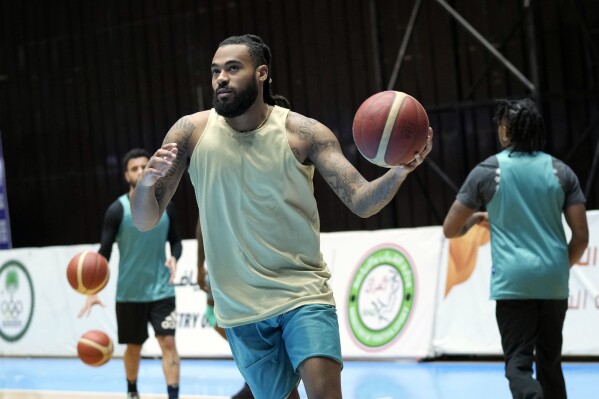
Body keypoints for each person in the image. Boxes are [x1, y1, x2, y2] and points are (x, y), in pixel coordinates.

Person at [130, 34, 432, 399]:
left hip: (302, 294)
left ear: (262, 73)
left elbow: (361, 200)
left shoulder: (304, 133)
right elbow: (145, 221)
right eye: (215, 71)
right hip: (240, 309)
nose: (220, 78)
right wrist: (146, 186)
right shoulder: (190, 132)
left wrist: (400, 171)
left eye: (232, 68)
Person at [442, 98, 589, 399]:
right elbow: (582, 236)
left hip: (514, 284)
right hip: (553, 281)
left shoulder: (488, 171)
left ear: (506, 130)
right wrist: (559, 266)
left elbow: (450, 228)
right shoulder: (561, 172)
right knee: (551, 363)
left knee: (518, 367)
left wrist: (478, 218)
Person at [79, 148, 183, 399]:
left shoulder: (167, 207)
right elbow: (103, 254)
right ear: (126, 175)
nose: (140, 171)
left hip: (161, 290)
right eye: (135, 168)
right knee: (133, 347)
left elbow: (176, 242)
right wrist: (92, 290)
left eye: (145, 166)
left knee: (168, 343)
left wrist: (174, 257)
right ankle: (132, 392)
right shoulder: (117, 210)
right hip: (130, 293)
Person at [196, 219, 254, 399]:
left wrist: (199, 264)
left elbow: (201, 223)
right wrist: (199, 264)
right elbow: (201, 223)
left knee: (250, 330)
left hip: (237, 263)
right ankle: (252, 381)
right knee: (245, 332)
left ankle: (253, 382)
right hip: (229, 263)